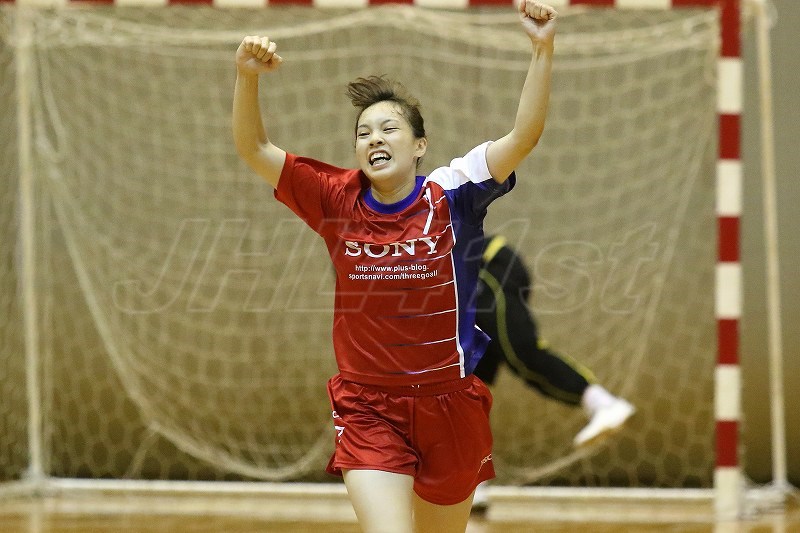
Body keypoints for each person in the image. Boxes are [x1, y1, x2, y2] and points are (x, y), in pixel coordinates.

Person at [232, 1, 557, 531]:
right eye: (363, 133)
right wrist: (247, 77)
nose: (374, 139)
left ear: (419, 145)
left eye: (388, 128)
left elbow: (524, 136)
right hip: (369, 407)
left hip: (449, 403)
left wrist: (542, 49)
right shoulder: (335, 198)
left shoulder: (453, 192)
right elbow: (254, 148)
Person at [470, 234, 636, 513]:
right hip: (461, 282)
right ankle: (474, 482)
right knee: (469, 387)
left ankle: (602, 403)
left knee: (520, 351)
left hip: (486, 265)